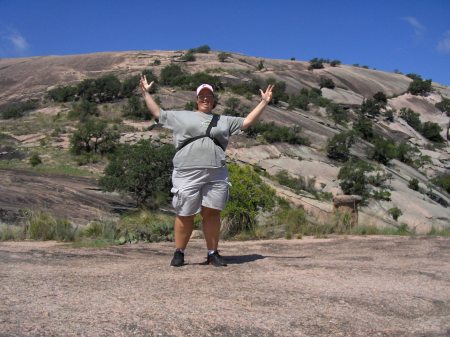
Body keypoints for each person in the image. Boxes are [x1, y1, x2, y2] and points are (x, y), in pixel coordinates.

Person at [139, 75, 273, 267]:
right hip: (187, 171)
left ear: (213, 100)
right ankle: (179, 252)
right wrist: (145, 93)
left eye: (208, 96)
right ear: (196, 99)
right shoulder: (182, 116)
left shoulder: (224, 120)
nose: (205, 99)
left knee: (212, 212)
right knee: (185, 213)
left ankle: (212, 253)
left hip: (216, 171)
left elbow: (247, 122)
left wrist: (263, 102)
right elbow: (158, 113)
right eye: (201, 96)